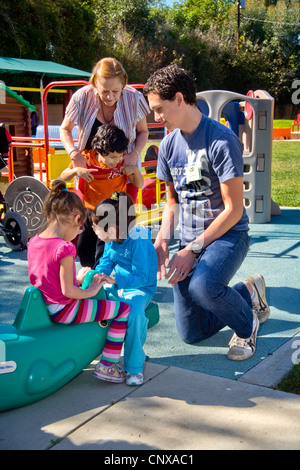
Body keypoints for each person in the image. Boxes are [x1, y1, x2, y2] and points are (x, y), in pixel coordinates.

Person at [143, 64, 270, 361]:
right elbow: (172, 202)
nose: (156, 117)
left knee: (204, 287)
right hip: (189, 240)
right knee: (192, 333)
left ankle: (246, 325)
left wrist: (193, 249)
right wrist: (163, 239)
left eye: (159, 109)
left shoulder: (221, 139)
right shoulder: (167, 146)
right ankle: (248, 291)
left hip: (228, 236)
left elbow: (234, 209)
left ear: (178, 99)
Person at [27, 179, 131, 383]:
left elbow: (46, 279)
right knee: (122, 309)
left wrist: (77, 278)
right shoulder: (64, 248)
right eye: (80, 228)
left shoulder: (34, 241)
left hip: (46, 307)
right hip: (64, 310)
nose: (78, 233)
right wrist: (91, 289)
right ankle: (108, 365)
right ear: (75, 217)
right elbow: (68, 292)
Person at [59, 57, 150, 202]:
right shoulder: (81, 97)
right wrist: (74, 154)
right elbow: (65, 129)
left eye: (115, 91)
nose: (110, 96)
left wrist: (134, 154)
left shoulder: (135, 98)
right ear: (95, 83)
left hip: (123, 171)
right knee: (86, 217)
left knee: (122, 219)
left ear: (123, 84)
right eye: (104, 91)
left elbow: (143, 132)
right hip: (90, 172)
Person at [92, 191, 157, 385]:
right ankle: (107, 359)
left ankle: (134, 368)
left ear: (113, 227)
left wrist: (113, 280)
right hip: (118, 284)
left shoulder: (139, 239)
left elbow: (141, 276)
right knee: (96, 305)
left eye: (97, 226)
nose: (94, 229)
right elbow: (106, 262)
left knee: (135, 314)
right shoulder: (111, 240)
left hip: (140, 288)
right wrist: (96, 276)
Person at [60, 124, 144, 268]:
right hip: (90, 212)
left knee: (102, 250)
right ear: (99, 151)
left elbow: (140, 184)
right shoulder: (87, 159)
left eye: (119, 156)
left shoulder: (123, 163)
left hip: (112, 213)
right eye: (112, 157)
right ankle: (89, 273)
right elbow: (62, 177)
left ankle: (100, 278)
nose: (116, 161)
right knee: (83, 247)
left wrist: (135, 170)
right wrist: (76, 171)